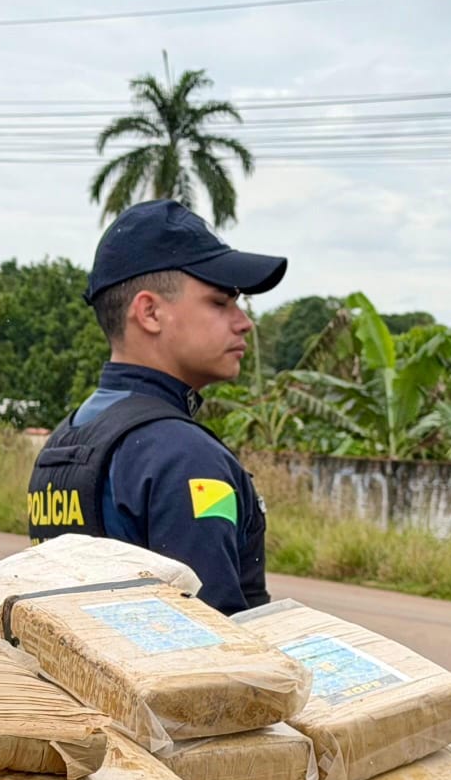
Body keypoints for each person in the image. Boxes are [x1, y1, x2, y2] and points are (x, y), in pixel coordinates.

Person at [26, 199, 287, 615]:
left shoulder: (66, 439)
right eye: (220, 302)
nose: (243, 322)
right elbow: (215, 654)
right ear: (149, 312)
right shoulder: (184, 457)